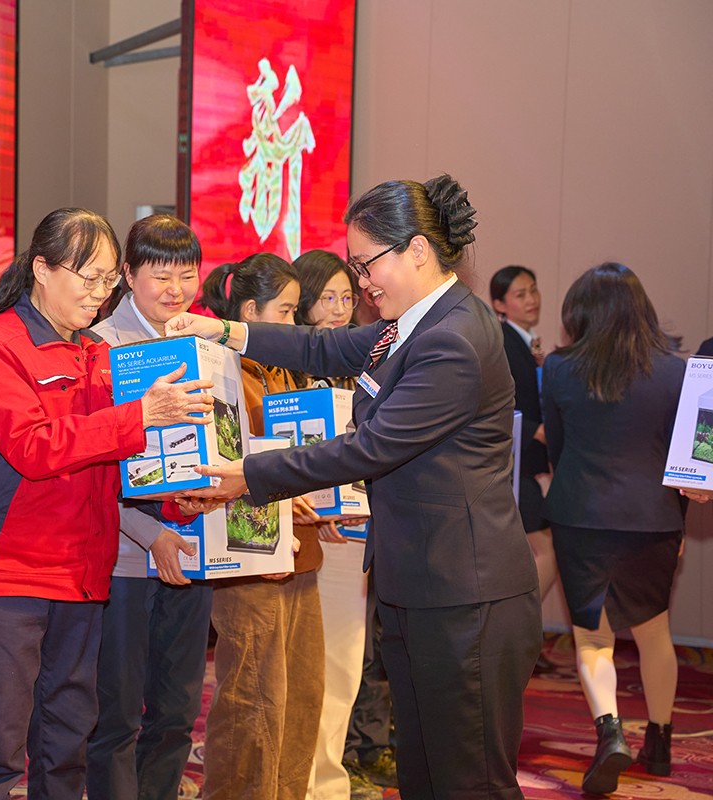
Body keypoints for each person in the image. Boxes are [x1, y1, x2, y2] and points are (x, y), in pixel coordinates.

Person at [168, 175, 542, 800]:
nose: (363, 283)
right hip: (422, 584)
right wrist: (227, 332)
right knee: (426, 773)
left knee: (470, 780)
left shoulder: (451, 339)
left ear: (417, 250)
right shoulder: (415, 323)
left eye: (367, 264)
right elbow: (328, 347)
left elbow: (370, 448)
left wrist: (247, 476)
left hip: (465, 597)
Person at [0, 207, 213, 800]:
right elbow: (34, 448)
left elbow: (117, 462)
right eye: (87, 277)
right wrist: (139, 417)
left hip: (84, 573)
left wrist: (180, 492)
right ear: (42, 269)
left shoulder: (95, 351)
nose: (98, 293)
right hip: (13, 574)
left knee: (67, 744)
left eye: (106, 280)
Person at [539, 262, 686, 794]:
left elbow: (556, 448)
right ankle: (661, 744)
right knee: (655, 633)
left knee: (593, 638)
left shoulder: (559, 369)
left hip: (580, 515)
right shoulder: (677, 371)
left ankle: (611, 733)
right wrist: (677, 521)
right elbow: (687, 458)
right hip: (654, 519)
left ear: (580, 313)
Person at [86, 215, 212, 800]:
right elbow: (90, 470)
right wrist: (146, 532)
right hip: (125, 556)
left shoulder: (205, 344)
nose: (175, 290)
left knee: (178, 709)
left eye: (187, 275)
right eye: (161, 276)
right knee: (115, 712)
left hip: (193, 548)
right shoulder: (99, 347)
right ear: (128, 275)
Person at [197, 252, 328, 800]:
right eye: (287, 311)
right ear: (250, 311)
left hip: (302, 553)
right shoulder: (219, 368)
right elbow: (221, 466)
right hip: (249, 555)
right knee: (252, 703)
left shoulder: (285, 368)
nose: (296, 323)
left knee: (301, 697)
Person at [289, 249, 381, 800]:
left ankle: (327, 783)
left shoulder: (365, 367)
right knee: (300, 672)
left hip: (353, 537)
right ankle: (295, 782)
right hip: (297, 539)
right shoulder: (285, 369)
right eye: (328, 297)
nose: (341, 309)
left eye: (349, 297)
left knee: (344, 668)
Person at [490, 265, 557, 602]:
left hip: (526, 463)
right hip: (511, 464)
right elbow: (495, 401)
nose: (532, 299)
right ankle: (525, 626)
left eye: (533, 290)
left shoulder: (528, 342)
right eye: (520, 294)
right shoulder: (503, 342)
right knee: (546, 550)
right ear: (499, 305)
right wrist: (538, 430)